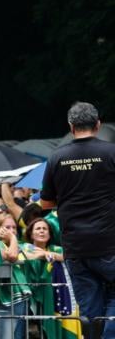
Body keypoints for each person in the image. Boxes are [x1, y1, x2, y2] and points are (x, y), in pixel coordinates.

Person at [41, 101, 115, 338]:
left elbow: (46, 203)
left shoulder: (56, 158)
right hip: (110, 243)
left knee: (90, 309)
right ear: (98, 124)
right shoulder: (111, 153)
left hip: (75, 247)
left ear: (71, 127)